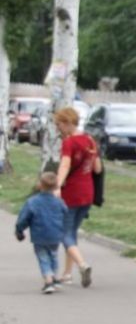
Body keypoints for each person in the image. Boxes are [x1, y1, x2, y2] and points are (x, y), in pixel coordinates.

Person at [50, 106, 97, 288]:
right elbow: (97, 168)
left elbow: (64, 165)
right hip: (88, 192)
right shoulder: (90, 140)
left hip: (72, 193)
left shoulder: (69, 142)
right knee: (72, 234)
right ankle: (67, 274)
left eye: (59, 124)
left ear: (68, 123)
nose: (58, 128)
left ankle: (83, 265)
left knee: (63, 233)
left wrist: (57, 186)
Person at [14, 169, 68, 294]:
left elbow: (24, 218)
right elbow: (65, 213)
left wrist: (19, 230)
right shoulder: (59, 202)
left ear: (40, 185)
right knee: (53, 255)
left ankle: (48, 281)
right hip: (56, 234)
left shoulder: (32, 202)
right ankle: (54, 277)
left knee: (43, 257)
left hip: (39, 235)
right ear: (55, 186)